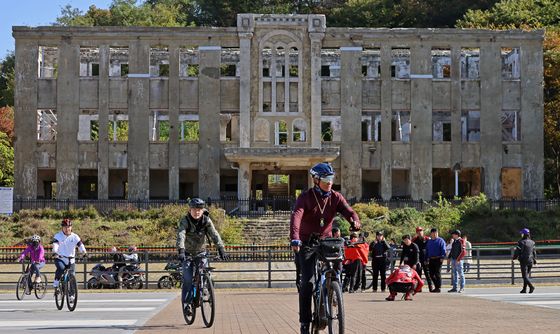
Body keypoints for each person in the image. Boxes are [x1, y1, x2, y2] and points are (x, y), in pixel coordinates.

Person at [290, 162, 361, 334]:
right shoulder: (305, 197)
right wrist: (295, 238)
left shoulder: (335, 197)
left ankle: (332, 290)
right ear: (316, 180)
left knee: (335, 265)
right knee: (307, 283)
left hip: (326, 241)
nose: (330, 181)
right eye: (325, 178)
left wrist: (355, 221)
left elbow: (348, 211)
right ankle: (305, 323)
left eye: (331, 178)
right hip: (307, 242)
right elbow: (296, 217)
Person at [177, 197, 229, 316]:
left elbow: (214, 234)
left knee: (208, 275)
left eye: (199, 209)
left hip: (201, 252)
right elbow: (181, 235)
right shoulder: (185, 221)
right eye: (194, 209)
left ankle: (206, 289)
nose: (197, 212)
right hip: (187, 253)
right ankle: (187, 304)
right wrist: (181, 250)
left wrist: (221, 249)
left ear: (202, 210)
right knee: (188, 279)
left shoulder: (206, 220)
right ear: (190, 209)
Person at [52, 219, 87, 290]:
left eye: (68, 227)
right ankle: (56, 281)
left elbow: (80, 245)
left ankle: (72, 295)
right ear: (62, 228)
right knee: (61, 269)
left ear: (71, 227)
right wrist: (55, 252)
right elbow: (55, 245)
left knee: (72, 276)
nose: (67, 229)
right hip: (60, 258)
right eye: (65, 227)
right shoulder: (58, 236)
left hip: (71, 259)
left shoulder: (75, 237)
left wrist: (84, 252)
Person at [513, 228, 537, 294]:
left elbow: (517, 252)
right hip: (531, 261)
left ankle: (531, 287)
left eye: (522, 233)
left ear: (524, 234)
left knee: (524, 276)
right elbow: (534, 252)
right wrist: (535, 259)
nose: (521, 234)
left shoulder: (521, 242)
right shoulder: (532, 242)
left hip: (524, 260)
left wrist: (514, 258)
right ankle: (524, 289)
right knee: (526, 276)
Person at [425, 228, 446, 293]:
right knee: (431, 274)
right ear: (431, 234)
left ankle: (438, 287)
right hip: (431, 259)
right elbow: (427, 250)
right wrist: (426, 258)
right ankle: (436, 286)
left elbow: (443, 249)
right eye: (433, 233)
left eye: (436, 233)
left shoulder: (441, 240)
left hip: (438, 259)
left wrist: (442, 257)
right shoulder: (429, 241)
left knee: (437, 273)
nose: (435, 234)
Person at [412, 226, 433, 290]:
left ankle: (430, 286)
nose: (420, 232)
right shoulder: (414, 240)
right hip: (418, 259)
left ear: (423, 231)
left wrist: (428, 258)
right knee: (418, 274)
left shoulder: (427, 239)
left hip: (425, 258)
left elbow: (430, 248)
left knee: (427, 273)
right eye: (418, 231)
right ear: (416, 232)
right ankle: (419, 288)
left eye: (421, 231)